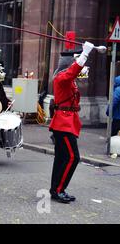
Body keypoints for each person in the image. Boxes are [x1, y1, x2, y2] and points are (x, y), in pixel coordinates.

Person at [49, 42, 94, 204]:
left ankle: (56, 189)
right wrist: (85, 53)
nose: (77, 64)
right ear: (68, 65)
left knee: (62, 158)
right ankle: (59, 190)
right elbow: (73, 71)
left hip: (67, 121)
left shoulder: (69, 79)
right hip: (63, 123)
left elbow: (75, 73)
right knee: (72, 157)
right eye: (74, 62)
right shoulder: (62, 77)